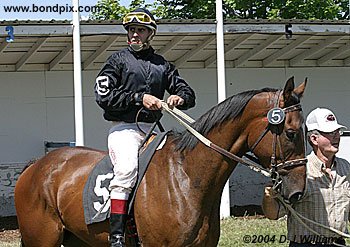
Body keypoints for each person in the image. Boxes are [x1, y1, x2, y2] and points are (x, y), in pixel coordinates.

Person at [94, 8, 196, 247]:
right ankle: (117, 236)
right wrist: (139, 98)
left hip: (154, 130)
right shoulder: (117, 60)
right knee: (127, 172)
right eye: (131, 30)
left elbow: (188, 92)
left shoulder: (163, 65)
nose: (135, 35)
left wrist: (179, 98)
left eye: (140, 30)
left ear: (150, 34)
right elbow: (103, 95)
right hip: (125, 130)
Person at [262, 107, 349, 247]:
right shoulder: (299, 172)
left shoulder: (345, 168)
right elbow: (274, 214)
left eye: (337, 132)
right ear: (314, 139)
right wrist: (268, 197)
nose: (336, 137)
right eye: (330, 133)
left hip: (339, 243)